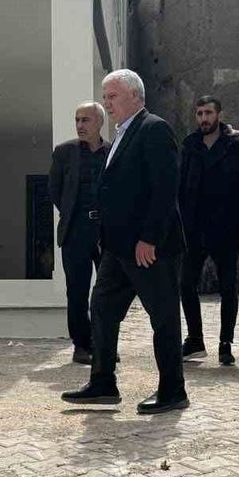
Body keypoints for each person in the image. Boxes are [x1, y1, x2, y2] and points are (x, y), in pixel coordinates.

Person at [62, 69, 188, 414]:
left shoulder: (153, 129)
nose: (107, 103)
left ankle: (173, 390)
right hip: (117, 249)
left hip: (149, 249)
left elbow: (165, 188)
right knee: (102, 309)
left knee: (163, 317)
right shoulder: (122, 132)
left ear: (135, 95)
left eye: (112, 96)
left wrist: (150, 237)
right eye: (104, 96)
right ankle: (103, 383)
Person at [178, 95, 239, 366]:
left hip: (227, 227)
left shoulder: (238, 144)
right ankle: (195, 340)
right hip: (194, 229)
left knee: (228, 286)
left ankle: (226, 343)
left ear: (219, 114)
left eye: (208, 113)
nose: (204, 118)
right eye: (200, 113)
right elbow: (180, 188)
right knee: (185, 283)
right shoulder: (190, 145)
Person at [49, 102, 110, 365]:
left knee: (108, 291)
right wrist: (72, 214)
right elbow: (55, 190)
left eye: (86, 120)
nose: (80, 125)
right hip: (76, 230)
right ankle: (81, 345)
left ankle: (104, 344)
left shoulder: (113, 151)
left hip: (107, 231)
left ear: (100, 122)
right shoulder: (64, 152)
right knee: (77, 291)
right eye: (77, 120)